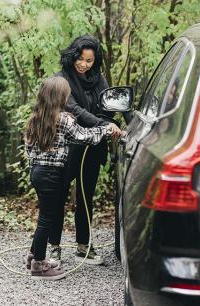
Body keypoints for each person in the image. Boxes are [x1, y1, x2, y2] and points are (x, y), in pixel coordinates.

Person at [24, 76, 118, 280]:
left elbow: (28, 150)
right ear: (60, 97)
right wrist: (105, 129)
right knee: (46, 220)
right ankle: (39, 266)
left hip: (37, 173)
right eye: (66, 95)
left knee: (44, 215)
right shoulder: (64, 120)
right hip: (52, 175)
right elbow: (84, 136)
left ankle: (33, 255)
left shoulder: (34, 119)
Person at [48, 35, 122, 266]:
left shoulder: (98, 78)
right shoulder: (61, 80)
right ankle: (54, 248)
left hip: (92, 147)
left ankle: (83, 247)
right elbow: (75, 110)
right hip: (66, 149)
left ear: (95, 61)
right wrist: (103, 124)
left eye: (89, 60)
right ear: (73, 56)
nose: (83, 64)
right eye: (80, 59)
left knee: (85, 197)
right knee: (58, 196)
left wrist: (106, 121)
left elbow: (109, 107)